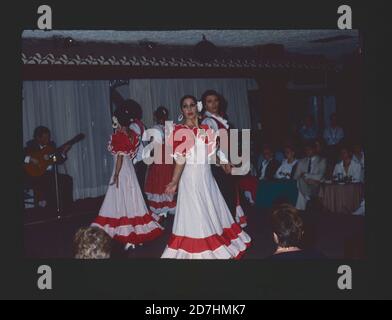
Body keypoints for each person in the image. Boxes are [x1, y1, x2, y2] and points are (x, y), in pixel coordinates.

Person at [161, 95, 251, 259]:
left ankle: (213, 244)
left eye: (192, 105)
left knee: (211, 211)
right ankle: (201, 249)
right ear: (182, 110)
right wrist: (174, 181)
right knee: (197, 212)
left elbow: (209, 155)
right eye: (185, 106)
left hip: (207, 179)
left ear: (197, 107)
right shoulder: (181, 131)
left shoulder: (206, 130)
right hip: (191, 179)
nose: (189, 109)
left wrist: (223, 162)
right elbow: (181, 158)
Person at [91, 105, 164, 250]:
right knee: (132, 197)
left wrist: (116, 174)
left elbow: (119, 157)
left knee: (120, 196)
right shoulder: (133, 134)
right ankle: (133, 228)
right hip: (130, 169)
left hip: (122, 169)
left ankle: (126, 230)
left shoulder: (119, 136)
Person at [200, 89, 247, 227]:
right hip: (217, 165)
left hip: (223, 162)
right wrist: (223, 163)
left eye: (215, 100)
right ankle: (226, 231)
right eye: (209, 101)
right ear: (205, 105)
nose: (213, 104)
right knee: (225, 198)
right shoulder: (208, 121)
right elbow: (210, 146)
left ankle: (227, 229)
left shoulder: (218, 119)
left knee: (228, 197)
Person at [24, 126, 73, 209]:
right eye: (45, 137)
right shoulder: (31, 145)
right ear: (38, 138)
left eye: (48, 137)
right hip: (34, 175)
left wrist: (63, 153)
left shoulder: (52, 146)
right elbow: (22, 156)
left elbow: (56, 160)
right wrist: (31, 159)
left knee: (67, 179)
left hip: (49, 174)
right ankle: (46, 205)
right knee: (45, 181)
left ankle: (67, 205)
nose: (48, 139)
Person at [144, 106, 176, 218]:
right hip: (168, 158)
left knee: (159, 182)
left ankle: (161, 209)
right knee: (166, 180)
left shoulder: (156, 128)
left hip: (161, 158)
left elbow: (153, 147)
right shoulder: (170, 127)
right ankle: (166, 207)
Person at [125, 99, 148, 201]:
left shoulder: (133, 126)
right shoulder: (140, 124)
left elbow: (134, 143)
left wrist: (132, 159)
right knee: (140, 184)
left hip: (138, 159)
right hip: (142, 157)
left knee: (138, 186)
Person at [294, 140, 327, 211]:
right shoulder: (301, 161)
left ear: (315, 150)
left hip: (316, 185)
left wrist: (306, 175)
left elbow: (320, 176)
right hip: (303, 185)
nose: (307, 151)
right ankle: (307, 197)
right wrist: (305, 179)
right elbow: (295, 177)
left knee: (300, 191)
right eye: (306, 150)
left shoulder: (322, 160)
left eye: (309, 149)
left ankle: (300, 210)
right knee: (299, 182)